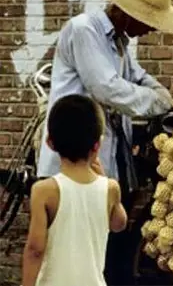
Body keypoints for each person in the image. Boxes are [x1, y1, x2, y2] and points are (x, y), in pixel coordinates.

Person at [36, 0, 173, 285]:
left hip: (102, 163)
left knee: (99, 254)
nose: (149, 30)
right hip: (71, 159)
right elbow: (107, 87)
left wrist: (160, 91)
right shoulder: (84, 30)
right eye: (148, 22)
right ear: (127, 12)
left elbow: (136, 77)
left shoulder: (119, 43)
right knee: (68, 254)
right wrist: (160, 102)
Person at [22, 94, 128, 286]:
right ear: (97, 145)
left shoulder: (44, 191)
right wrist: (103, 177)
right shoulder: (110, 188)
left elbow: (35, 249)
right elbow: (119, 224)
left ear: (50, 143)